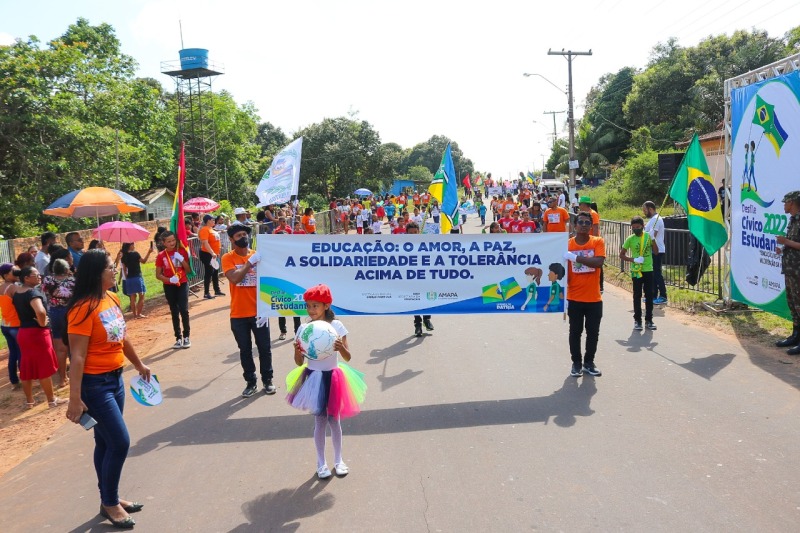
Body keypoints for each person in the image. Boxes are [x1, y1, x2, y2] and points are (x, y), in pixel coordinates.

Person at [65, 249, 151, 529]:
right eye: (109, 267)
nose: (114, 270)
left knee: (104, 442)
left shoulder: (112, 298)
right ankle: (111, 503)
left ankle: (108, 499)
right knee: (120, 442)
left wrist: (139, 365)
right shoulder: (82, 308)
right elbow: (76, 356)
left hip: (115, 379)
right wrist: (74, 399)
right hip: (94, 385)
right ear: (95, 273)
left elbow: (122, 337)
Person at [286, 284, 367, 479]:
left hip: (334, 377)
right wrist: (297, 352)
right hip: (314, 378)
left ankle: (339, 460)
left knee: (334, 420)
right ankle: (320, 463)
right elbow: (299, 362)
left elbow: (347, 357)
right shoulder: (304, 329)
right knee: (320, 421)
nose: (311, 310)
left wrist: (341, 348)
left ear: (326, 306)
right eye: (308, 306)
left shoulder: (337, 326)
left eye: (316, 306)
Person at [222, 225, 276, 397]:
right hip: (238, 314)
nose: (243, 237)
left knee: (264, 348)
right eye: (239, 235)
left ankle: (268, 380)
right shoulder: (227, 258)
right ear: (231, 239)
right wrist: (249, 264)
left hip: (259, 312)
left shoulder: (258, 255)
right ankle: (250, 382)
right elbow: (235, 279)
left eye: (245, 234)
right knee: (245, 350)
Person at [12, 266, 64, 409]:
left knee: (26, 368)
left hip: (23, 333)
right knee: (43, 368)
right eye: (36, 275)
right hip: (37, 334)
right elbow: (40, 311)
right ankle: (52, 400)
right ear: (27, 278)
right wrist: (43, 322)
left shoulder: (17, 293)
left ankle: (29, 401)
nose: (39, 276)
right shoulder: (33, 293)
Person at [563, 211, 605, 377]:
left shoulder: (597, 241)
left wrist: (576, 258)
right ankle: (576, 363)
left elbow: (598, 262)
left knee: (593, 333)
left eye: (588, 223)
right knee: (575, 332)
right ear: (575, 225)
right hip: (574, 298)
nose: (584, 225)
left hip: (594, 298)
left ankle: (589, 362)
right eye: (581, 222)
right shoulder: (567, 245)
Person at [620, 216, 658, 331]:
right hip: (636, 271)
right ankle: (637, 320)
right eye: (634, 227)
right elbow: (621, 255)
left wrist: (653, 240)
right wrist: (633, 259)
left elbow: (656, 252)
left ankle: (649, 319)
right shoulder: (630, 239)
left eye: (638, 227)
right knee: (637, 295)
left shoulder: (647, 236)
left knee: (649, 295)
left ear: (643, 226)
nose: (636, 229)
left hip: (648, 270)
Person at [42, 257, 75, 386]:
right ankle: (75, 375)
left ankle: (62, 378)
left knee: (60, 348)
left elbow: (44, 292)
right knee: (73, 345)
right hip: (70, 313)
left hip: (55, 313)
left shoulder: (48, 280)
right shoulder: (72, 281)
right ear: (66, 269)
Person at [154, 231, 191, 349]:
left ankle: (186, 336)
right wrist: (169, 280)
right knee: (174, 311)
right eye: (168, 241)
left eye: (173, 240)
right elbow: (158, 275)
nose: (172, 243)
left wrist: (182, 260)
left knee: (184, 310)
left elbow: (188, 270)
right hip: (169, 285)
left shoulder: (181, 251)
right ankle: (178, 337)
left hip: (182, 283)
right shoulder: (161, 256)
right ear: (163, 243)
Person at [776, 191, 800, 354]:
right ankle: (795, 336)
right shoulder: (793, 220)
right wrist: (784, 248)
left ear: (792, 203)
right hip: (791, 268)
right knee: (793, 304)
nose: (784, 205)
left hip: (798, 269)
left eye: (785, 202)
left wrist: (786, 242)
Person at [406, 222, 434, 336]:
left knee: (427, 298)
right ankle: (417, 324)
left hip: (425, 276)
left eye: (415, 232)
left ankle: (427, 319)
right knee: (414, 300)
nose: (413, 234)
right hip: (411, 278)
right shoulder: (402, 245)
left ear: (419, 232)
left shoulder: (425, 243)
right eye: (410, 233)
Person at [0, 263, 22, 388]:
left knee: (13, 353)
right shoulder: (13, 288)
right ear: (6, 275)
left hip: (5, 325)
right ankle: (24, 377)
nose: (17, 272)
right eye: (14, 271)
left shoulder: (1, 288)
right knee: (21, 352)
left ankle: (14, 381)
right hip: (16, 325)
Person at [120, 242, 154, 319]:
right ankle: (139, 314)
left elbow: (124, 270)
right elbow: (144, 261)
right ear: (130, 246)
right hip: (137, 277)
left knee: (132, 297)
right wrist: (149, 252)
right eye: (133, 244)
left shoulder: (123, 256)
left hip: (129, 279)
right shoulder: (135, 254)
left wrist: (127, 279)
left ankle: (135, 315)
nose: (134, 246)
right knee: (141, 296)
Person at [643, 201, 667, 304]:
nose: (644, 212)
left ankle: (663, 296)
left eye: (645, 210)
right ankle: (653, 296)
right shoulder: (652, 220)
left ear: (650, 209)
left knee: (657, 274)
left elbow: (653, 235)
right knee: (652, 274)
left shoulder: (656, 220)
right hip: (652, 250)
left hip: (657, 250)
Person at [198, 214, 224, 300]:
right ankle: (206, 292)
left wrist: (216, 252)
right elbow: (205, 243)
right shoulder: (204, 230)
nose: (214, 221)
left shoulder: (211, 229)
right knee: (209, 272)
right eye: (212, 220)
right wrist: (212, 253)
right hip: (207, 254)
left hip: (214, 254)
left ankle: (217, 290)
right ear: (208, 221)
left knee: (215, 271)